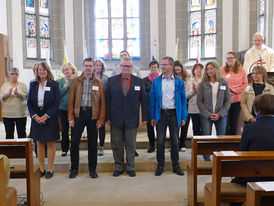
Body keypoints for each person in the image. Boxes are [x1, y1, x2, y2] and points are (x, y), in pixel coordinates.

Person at [106, 57, 147, 177]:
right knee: (116, 144)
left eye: (128, 66)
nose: (126, 68)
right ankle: (118, 166)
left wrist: (145, 118)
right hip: (115, 118)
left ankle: (130, 167)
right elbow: (107, 100)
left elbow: (144, 101)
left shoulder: (138, 81)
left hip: (132, 118)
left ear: (132, 67)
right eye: (124, 66)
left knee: (131, 144)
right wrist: (107, 117)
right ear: (120, 66)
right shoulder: (111, 80)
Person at [230, 94, 274, 206]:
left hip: (255, 176)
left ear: (256, 109)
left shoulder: (250, 128)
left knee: (235, 183)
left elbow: (242, 154)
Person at [68, 58, 105, 179]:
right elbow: (71, 100)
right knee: (74, 143)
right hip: (78, 114)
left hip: (93, 115)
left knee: (93, 144)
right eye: (86, 65)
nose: (88, 67)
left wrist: (100, 119)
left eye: (90, 65)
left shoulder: (99, 83)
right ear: (83, 66)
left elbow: (102, 104)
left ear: (94, 67)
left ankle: (92, 169)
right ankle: (74, 169)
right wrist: (70, 118)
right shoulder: (76, 81)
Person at [150, 56, 187, 176]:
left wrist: (183, 117)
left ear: (171, 66)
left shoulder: (178, 81)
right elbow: (152, 100)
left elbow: (183, 101)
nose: (162, 67)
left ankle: (175, 165)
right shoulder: (156, 81)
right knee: (160, 141)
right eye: (161, 65)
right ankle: (160, 165)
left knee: (175, 141)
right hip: (161, 114)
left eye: (164, 64)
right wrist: (152, 117)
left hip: (174, 114)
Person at [27, 62, 60, 179]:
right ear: (37, 71)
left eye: (44, 70)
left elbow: (57, 103)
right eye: (39, 70)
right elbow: (29, 102)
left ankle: (50, 169)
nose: (41, 72)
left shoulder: (54, 84)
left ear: (48, 71)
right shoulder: (33, 84)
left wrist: (46, 116)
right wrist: (35, 116)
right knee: (39, 142)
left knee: (50, 142)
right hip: (37, 117)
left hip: (50, 117)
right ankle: (41, 168)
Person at [197, 62, 231, 161]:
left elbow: (227, 101)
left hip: (221, 115)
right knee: (206, 138)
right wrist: (208, 114)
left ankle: (219, 158)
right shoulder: (202, 84)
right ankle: (207, 159)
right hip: (206, 115)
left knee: (221, 138)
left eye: (211, 68)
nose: (209, 71)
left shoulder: (223, 82)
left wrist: (219, 114)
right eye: (207, 69)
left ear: (216, 69)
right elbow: (199, 102)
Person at [220, 52, 248, 135]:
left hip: (237, 99)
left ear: (235, 59)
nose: (229, 60)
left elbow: (245, 84)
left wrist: (236, 90)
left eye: (231, 58)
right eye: (228, 58)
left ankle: (232, 141)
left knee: (234, 121)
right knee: (225, 121)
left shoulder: (241, 70)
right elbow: (219, 83)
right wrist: (227, 90)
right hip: (225, 100)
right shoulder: (222, 70)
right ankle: (224, 141)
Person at [0, 67, 28, 139]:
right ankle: (10, 150)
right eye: (12, 74)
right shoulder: (4, 85)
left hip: (20, 113)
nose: (14, 75)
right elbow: (1, 97)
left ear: (18, 75)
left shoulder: (23, 85)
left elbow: (25, 97)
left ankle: (22, 150)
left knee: (21, 133)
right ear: (9, 75)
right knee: (9, 134)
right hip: (8, 114)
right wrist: (8, 94)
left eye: (16, 74)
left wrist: (17, 94)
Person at [58, 63, 77, 157]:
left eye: (68, 69)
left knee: (74, 130)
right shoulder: (60, 81)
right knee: (64, 130)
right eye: (65, 70)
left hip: (74, 109)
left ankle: (73, 149)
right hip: (63, 109)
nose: (66, 71)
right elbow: (58, 96)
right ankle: (64, 149)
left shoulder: (76, 80)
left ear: (72, 70)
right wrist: (65, 86)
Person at [142, 60, 160, 153]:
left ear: (158, 68)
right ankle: (152, 145)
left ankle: (160, 145)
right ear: (149, 68)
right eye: (152, 67)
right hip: (149, 107)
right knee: (150, 128)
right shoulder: (144, 80)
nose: (154, 69)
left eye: (155, 67)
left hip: (159, 108)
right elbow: (143, 94)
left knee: (160, 128)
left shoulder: (161, 79)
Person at [173, 60, 191, 152]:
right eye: (175, 70)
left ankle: (182, 143)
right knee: (176, 125)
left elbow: (189, 90)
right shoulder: (172, 77)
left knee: (185, 123)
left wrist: (184, 96)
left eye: (178, 70)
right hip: (176, 103)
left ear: (182, 69)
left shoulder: (187, 77)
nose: (177, 72)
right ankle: (175, 143)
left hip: (186, 102)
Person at [94, 58, 108, 156]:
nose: (98, 67)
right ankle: (94, 146)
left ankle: (102, 146)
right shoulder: (89, 76)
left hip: (102, 105)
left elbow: (106, 91)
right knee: (93, 127)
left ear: (102, 67)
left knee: (101, 127)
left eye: (100, 65)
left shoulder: (106, 78)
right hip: (92, 106)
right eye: (97, 65)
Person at [185, 63, 203, 139]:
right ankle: (197, 147)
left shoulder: (205, 80)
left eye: (200, 69)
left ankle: (203, 147)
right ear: (193, 71)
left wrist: (199, 90)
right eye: (197, 69)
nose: (198, 70)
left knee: (203, 128)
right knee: (195, 128)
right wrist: (194, 91)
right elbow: (186, 95)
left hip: (203, 107)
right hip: (193, 107)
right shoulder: (190, 81)